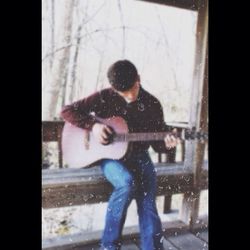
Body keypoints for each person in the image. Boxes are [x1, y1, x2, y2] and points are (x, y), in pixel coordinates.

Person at [60, 60, 178, 250]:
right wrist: (94, 126)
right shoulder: (105, 96)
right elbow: (67, 111)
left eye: (132, 89)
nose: (129, 97)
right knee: (126, 183)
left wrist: (169, 146)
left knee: (148, 202)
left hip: (140, 155)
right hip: (109, 157)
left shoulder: (152, 104)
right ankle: (109, 246)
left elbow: (158, 145)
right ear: (114, 89)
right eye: (122, 93)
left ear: (138, 79)